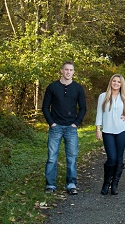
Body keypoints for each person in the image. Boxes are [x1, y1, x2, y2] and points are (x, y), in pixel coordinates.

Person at [42, 61, 87, 195]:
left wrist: (76, 123)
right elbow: (45, 107)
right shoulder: (52, 87)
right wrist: (51, 123)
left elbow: (83, 108)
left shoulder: (78, 88)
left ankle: (71, 184)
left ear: (73, 72)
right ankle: (50, 184)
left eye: (71, 70)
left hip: (71, 128)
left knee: (72, 157)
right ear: (61, 71)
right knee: (51, 157)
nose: (68, 72)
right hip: (56, 127)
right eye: (66, 69)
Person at [95, 73, 125, 195]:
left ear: (121, 84)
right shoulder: (103, 96)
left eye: (118, 82)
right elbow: (99, 113)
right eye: (114, 81)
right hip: (108, 131)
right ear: (110, 82)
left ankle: (114, 185)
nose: (116, 83)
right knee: (111, 158)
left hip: (121, 131)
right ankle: (106, 183)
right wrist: (98, 128)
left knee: (119, 158)